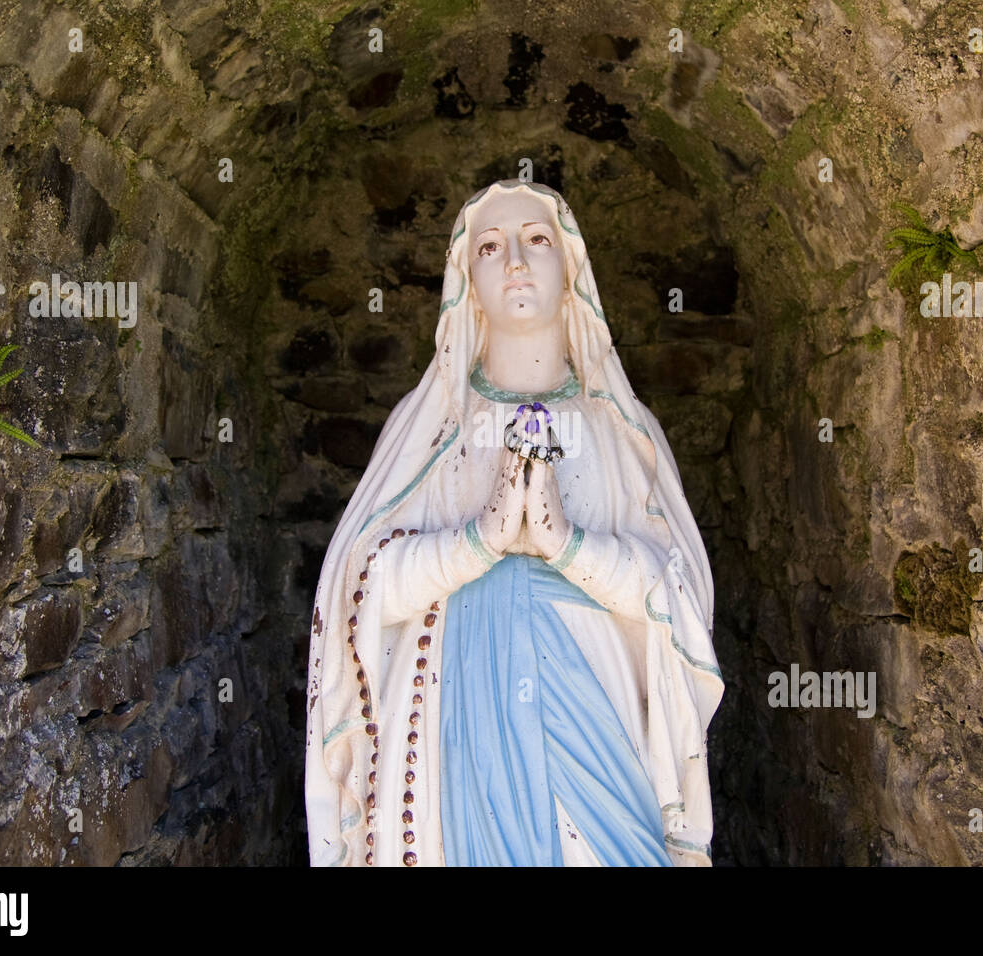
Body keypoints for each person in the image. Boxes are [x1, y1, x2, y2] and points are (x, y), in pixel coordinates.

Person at [304, 179, 723, 866]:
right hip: (458, 709)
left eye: (537, 240)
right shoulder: (432, 428)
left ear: (571, 273)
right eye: (490, 248)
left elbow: (675, 598)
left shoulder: (620, 431)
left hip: (596, 705)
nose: (516, 263)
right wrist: (481, 540)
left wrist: (568, 545)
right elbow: (362, 583)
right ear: (466, 281)